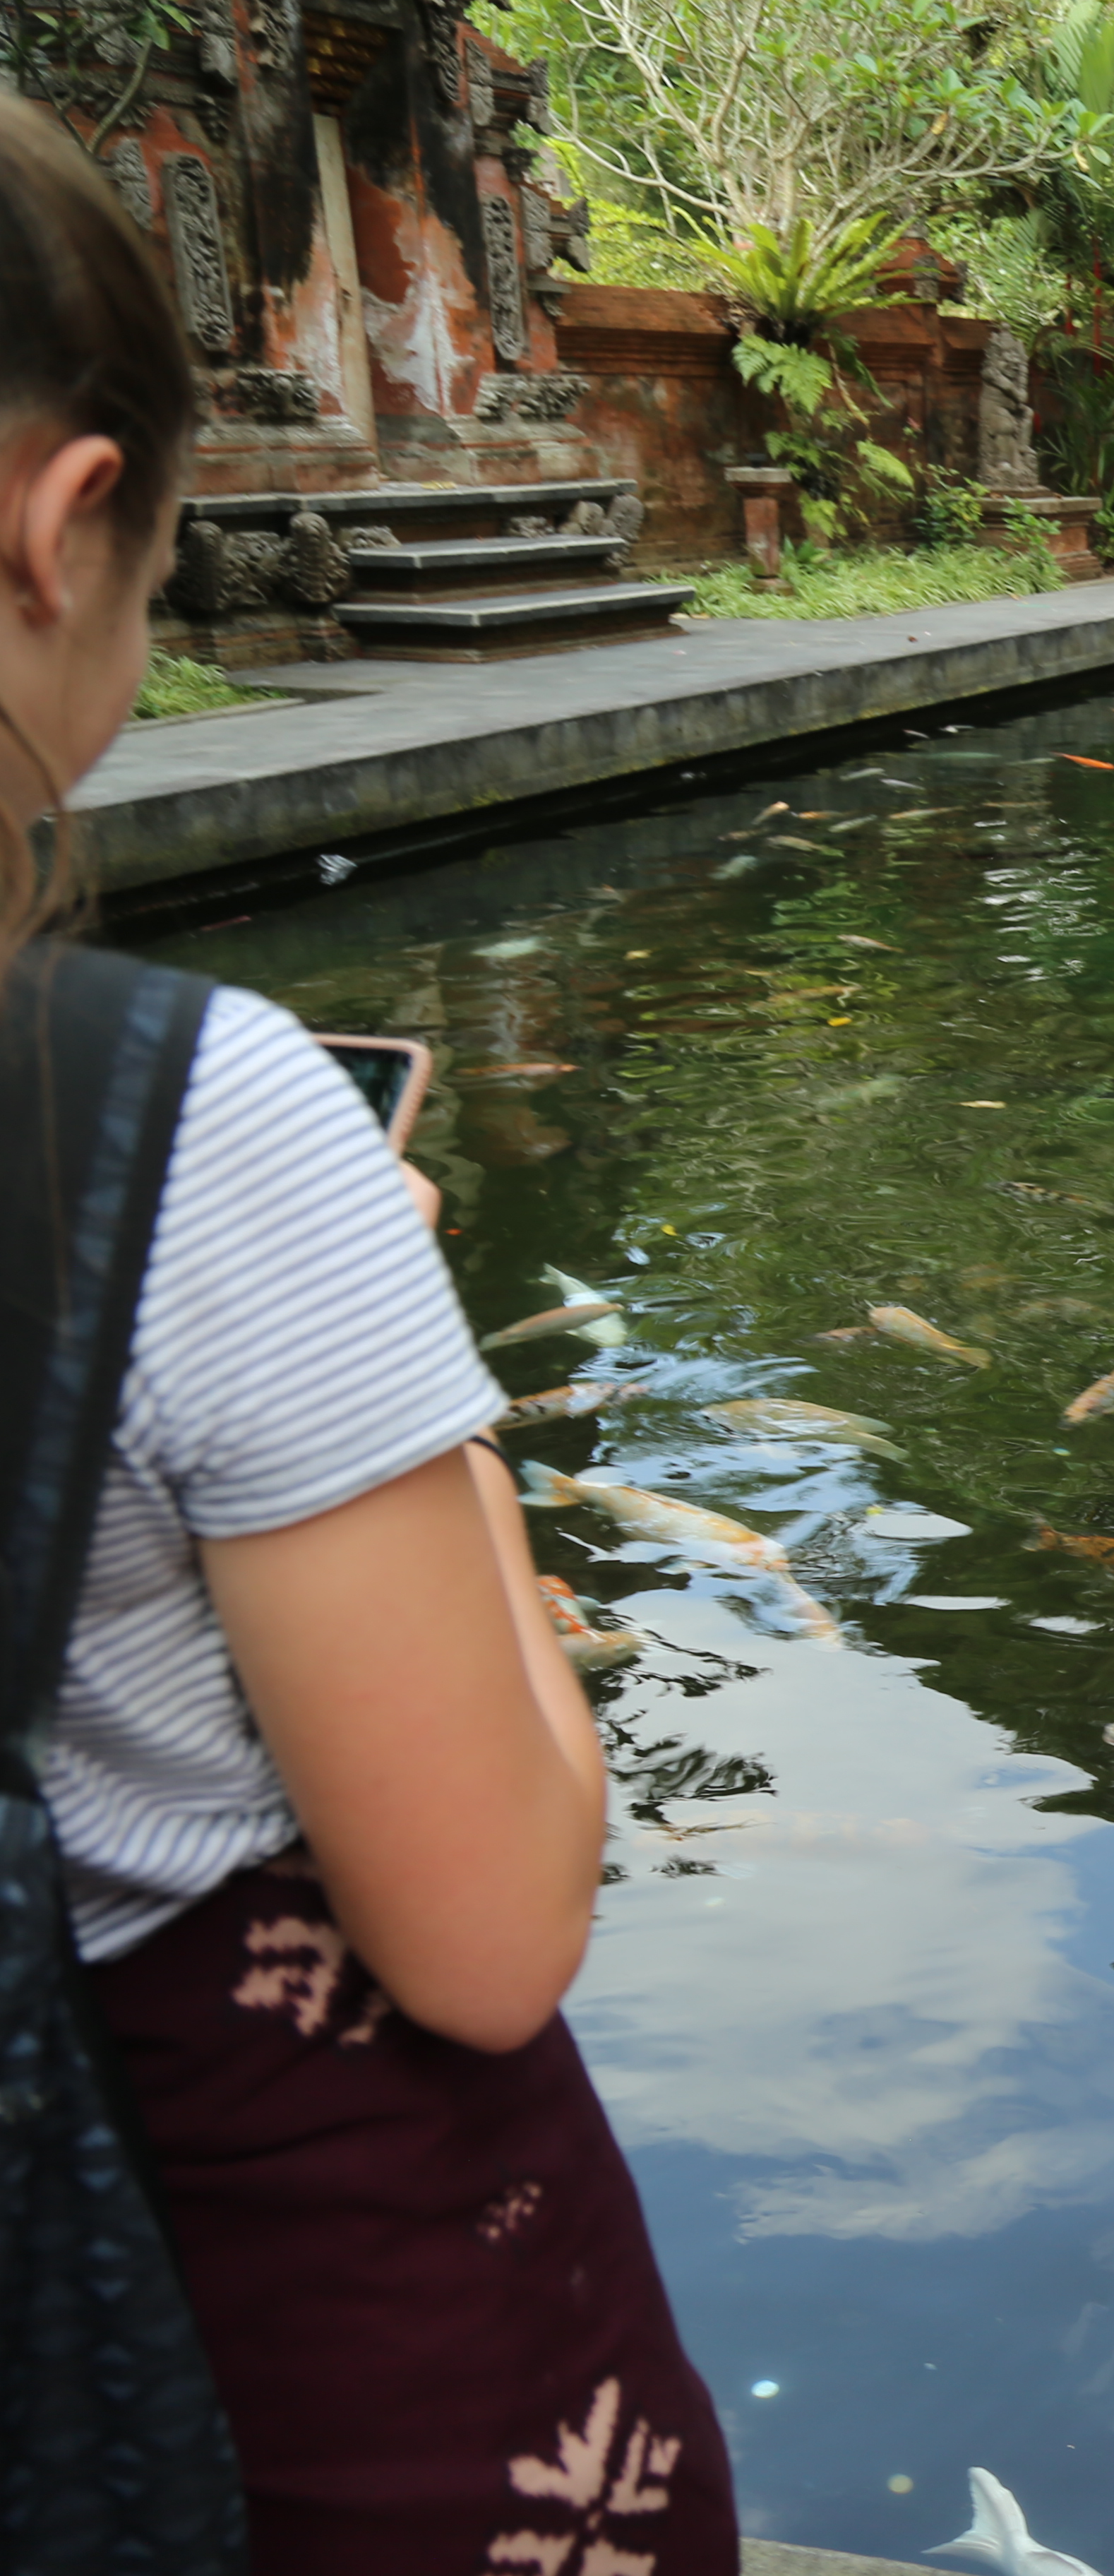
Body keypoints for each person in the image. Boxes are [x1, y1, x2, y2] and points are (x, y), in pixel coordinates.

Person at [0, 99, 734, 2567]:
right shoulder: (179, 1124)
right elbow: (488, 1928)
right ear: (53, 522)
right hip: (236, 2374)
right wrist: (456, 1427)